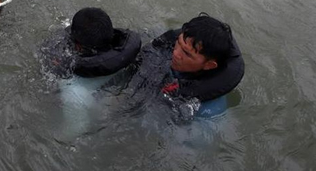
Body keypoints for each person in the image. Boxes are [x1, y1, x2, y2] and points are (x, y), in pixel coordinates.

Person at [40, 7, 141, 137]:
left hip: (110, 118)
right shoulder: (133, 50)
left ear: (78, 46)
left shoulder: (73, 92)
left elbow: (75, 132)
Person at [126, 13, 245, 118]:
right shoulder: (167, 47)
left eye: (187, 54)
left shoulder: (208, 111)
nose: (176, 53)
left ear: (209, 65)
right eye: (178, 43)